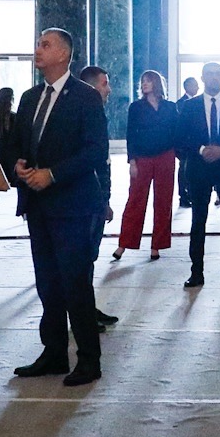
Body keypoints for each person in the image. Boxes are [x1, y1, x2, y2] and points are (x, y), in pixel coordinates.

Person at [0, 29, 110, 387]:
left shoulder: (86, 97)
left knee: (75, 284)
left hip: (73, 204)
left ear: (63, 54)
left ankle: (89, 360)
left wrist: (53, 174)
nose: (38, 50)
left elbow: (96, 151)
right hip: (37, 204)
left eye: (45, 45)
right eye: (38, 44)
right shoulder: (31, 97)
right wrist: (17, 165)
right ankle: (54, 352)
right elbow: (15, 143)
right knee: (47, 283)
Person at [177, 61, 220, 287]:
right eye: (209, 74)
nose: (213, 77)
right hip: (199, 168)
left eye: (217, 74)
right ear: (202, 78)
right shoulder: (190, 106)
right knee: (198, 220)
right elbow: (181, 137)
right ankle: (196, 272)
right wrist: (201, 150)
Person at [75, 66, 121, 331]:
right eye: (105, 84)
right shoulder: (81, 117)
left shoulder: (98, 115)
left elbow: (104, 163)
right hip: (85, 200)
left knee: (89, 258)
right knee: (81, 259)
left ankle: (87, 307)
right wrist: (100, 200)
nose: (109, 90)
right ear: (92, 88)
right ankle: (81, 315)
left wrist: (106, 200)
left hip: (97, 199)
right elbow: (91, 163)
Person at [115, 70, 177, 260]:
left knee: (163, 201)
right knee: (135, 200)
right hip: (142, 158)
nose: (144, 83)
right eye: (143, 81)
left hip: (166, 156)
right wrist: (132, 161)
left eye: (148, 80)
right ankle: (124, 243)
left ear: (157, 83)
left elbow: (176, 132)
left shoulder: (170, 107)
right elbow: (131, 134)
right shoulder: (136, 107)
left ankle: (157, 245)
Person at [176, 74, 201, 208]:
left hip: (195, 145)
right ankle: (183, 196)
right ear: (187, 87)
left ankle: (191, 194)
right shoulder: (181, 104)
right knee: (183, 171)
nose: (198, 87)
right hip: (185, 145)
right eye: (195, 85)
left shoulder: (198, 102)